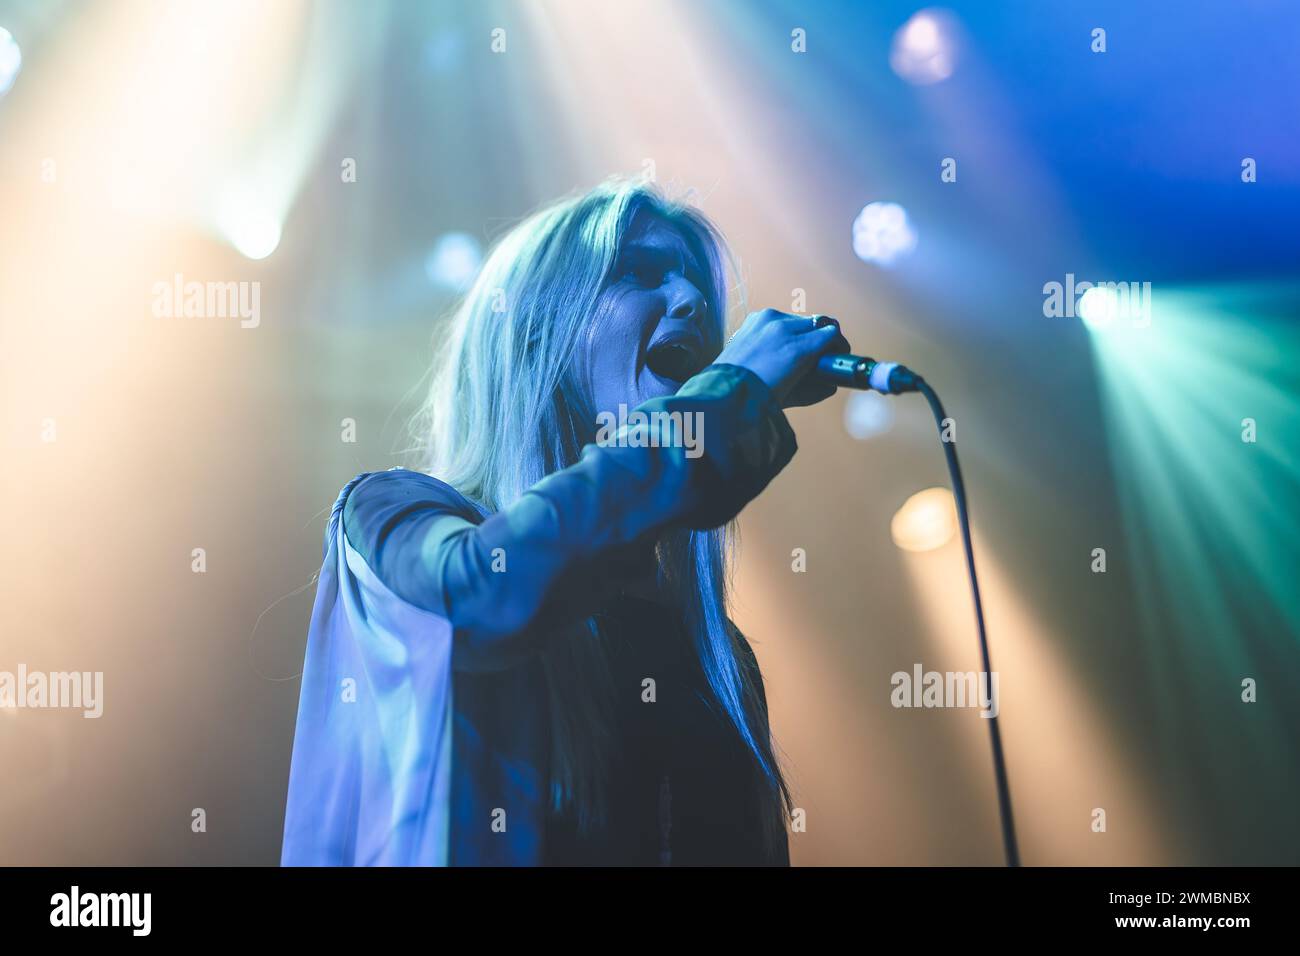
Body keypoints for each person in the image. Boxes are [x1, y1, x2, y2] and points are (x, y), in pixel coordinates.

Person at [281, 178, 849, 866]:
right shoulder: (390, 517)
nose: (694, 302)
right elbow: (485, 598)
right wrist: (729, 403)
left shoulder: (717, 658)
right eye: (640, 273)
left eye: (697, 284)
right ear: (535, 331)